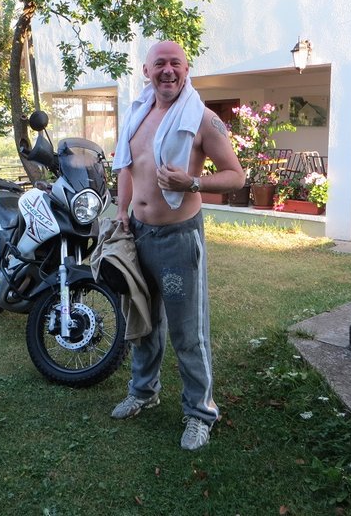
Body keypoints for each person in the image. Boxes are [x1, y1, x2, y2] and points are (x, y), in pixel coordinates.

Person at [110, 40, 245, 450]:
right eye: (160, 64)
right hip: (138, 234)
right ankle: (143, 392)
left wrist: (193, 182)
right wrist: (122, 210)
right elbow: (127, 167)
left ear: (187, 71)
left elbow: (236, 175)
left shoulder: (202, 119)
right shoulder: (137, 114)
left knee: (188, 332)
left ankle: (200, 412)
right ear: (146, 71)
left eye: (175, 63)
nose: (168, 70)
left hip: (178, 239)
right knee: (143, 321)